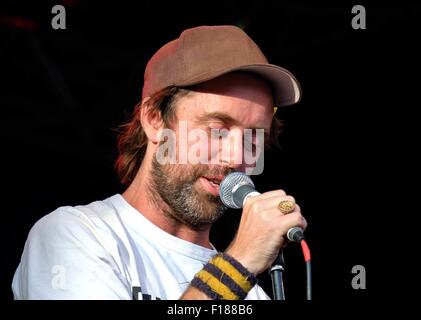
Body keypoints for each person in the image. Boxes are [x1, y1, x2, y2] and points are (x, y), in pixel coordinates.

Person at [12, 25, 307, 300]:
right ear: (154, 119)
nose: (236, 157)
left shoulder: (252, 293)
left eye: (253, 140)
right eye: (217, 130)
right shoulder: (76, 235)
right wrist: (239, 265)